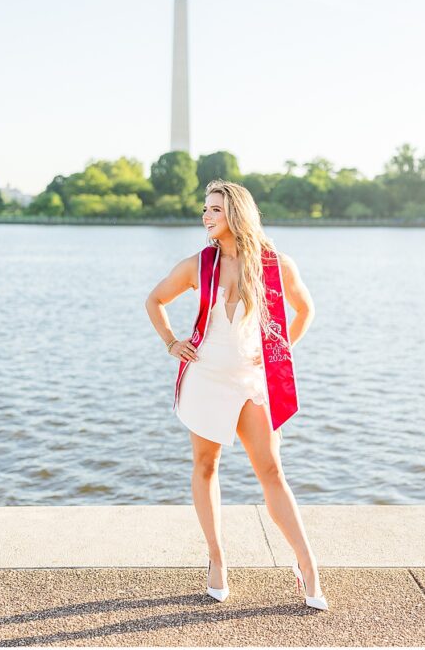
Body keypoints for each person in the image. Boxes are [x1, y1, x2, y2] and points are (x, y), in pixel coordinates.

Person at [145, 180, 327, 610]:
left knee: (272, 471)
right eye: (205, 209)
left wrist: (279, 352)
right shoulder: (198, 264)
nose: (206, 217)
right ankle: (216, 557)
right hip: (205, 376)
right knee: (205, 465)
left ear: (237, 215)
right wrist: (172, 342)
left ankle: (307, 563)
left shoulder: (274, 263)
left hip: (249, 380)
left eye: (215, 210)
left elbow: (306, 310)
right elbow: (155, 300)